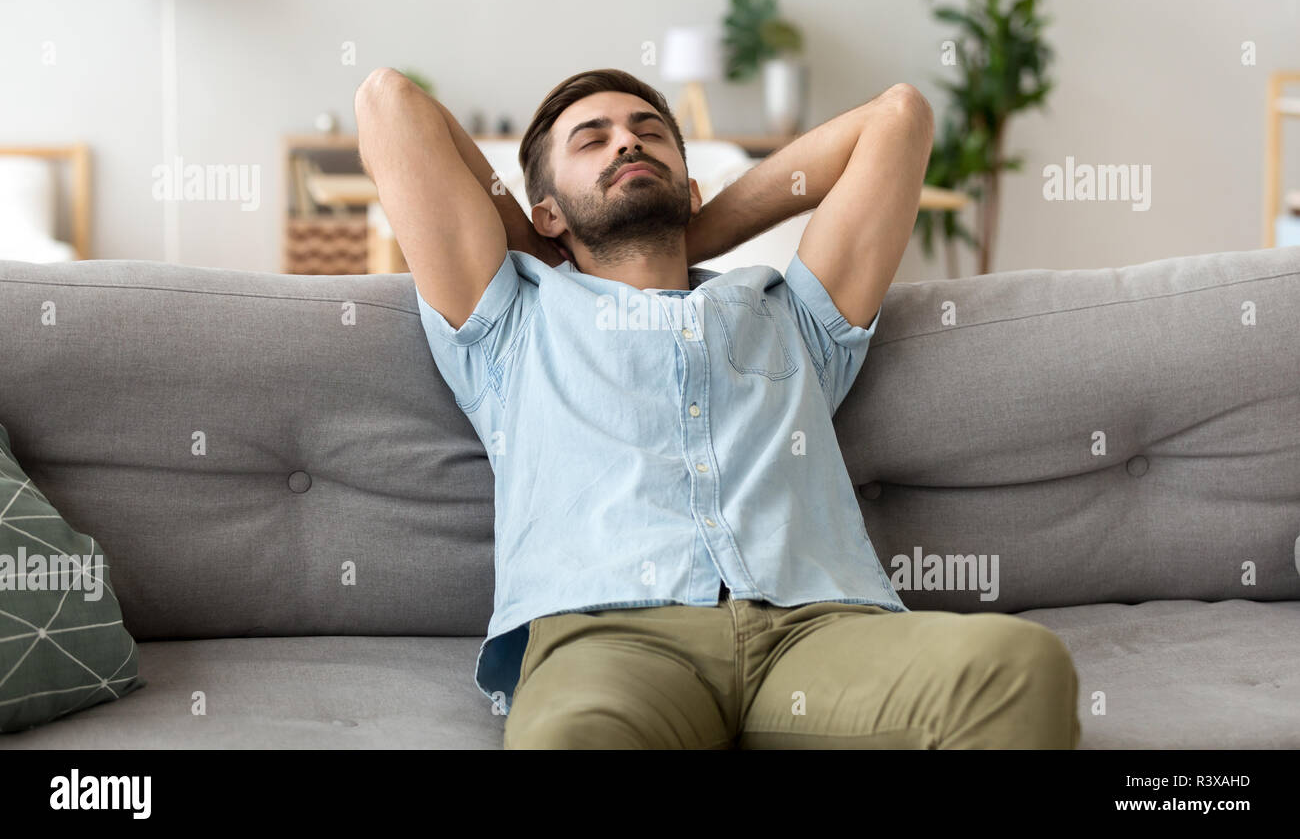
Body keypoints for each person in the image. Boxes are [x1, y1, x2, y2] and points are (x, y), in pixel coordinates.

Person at [354, 66, 1082, 749]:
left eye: (648, 132)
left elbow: (899, 118)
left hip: (818, 630)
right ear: (544, 211)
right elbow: (389, 102)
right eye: (593, 139)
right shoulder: (513, 323)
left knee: (1021, 665)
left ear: (694, 187)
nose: (627, 141)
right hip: (612, 643)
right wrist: (554, 251)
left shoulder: (789, 312)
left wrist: (685, 229)